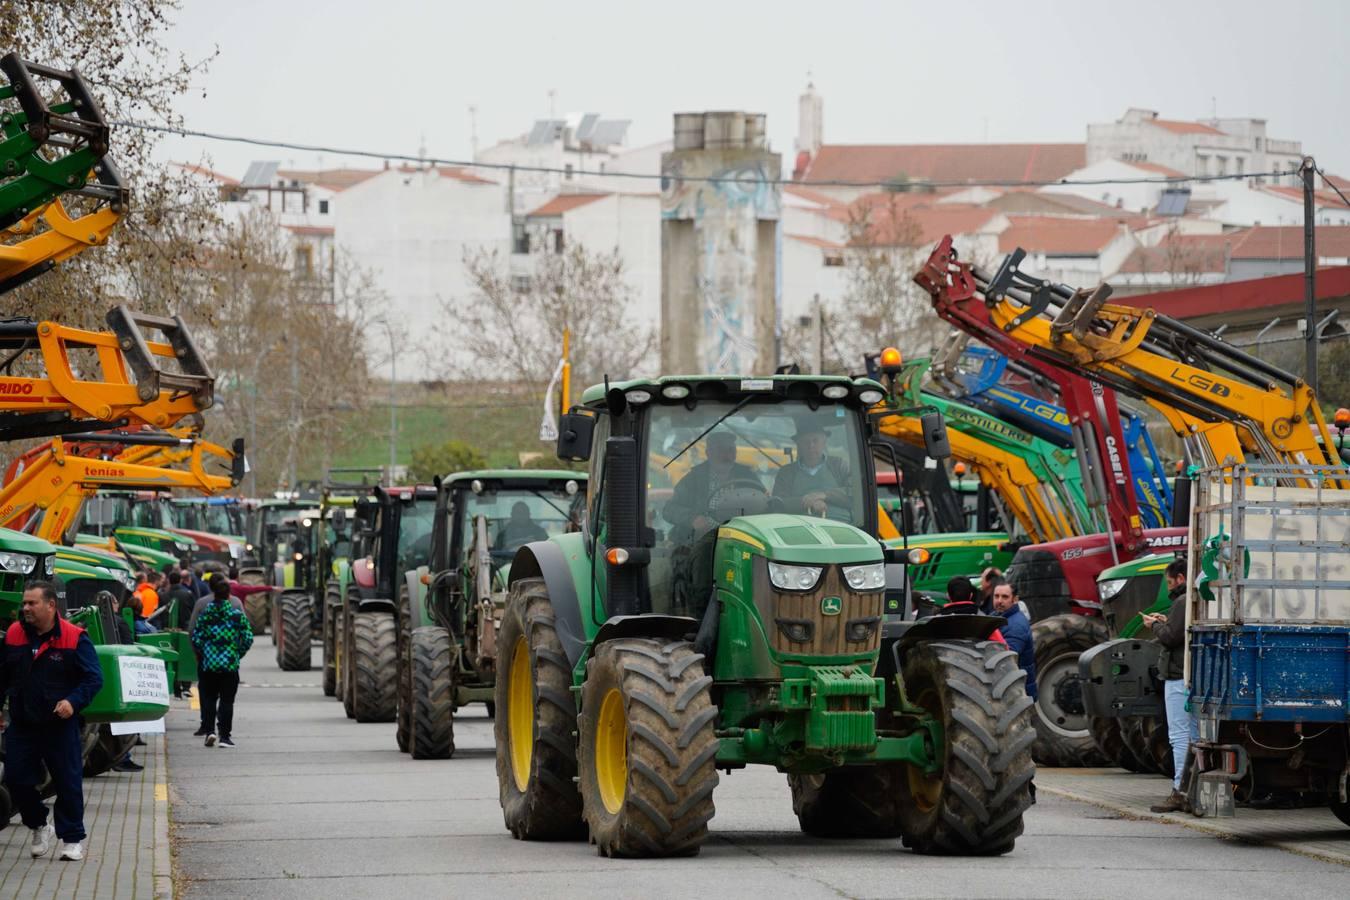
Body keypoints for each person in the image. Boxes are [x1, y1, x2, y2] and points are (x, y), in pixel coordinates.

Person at [0, 581, 104, 861]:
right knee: (15, 779)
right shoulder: (14, 635)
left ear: (50, 605)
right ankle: (37, 824)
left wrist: (73, 701)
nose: (26, 608)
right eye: (24, 603)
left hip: (59, 725)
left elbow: (94, 678)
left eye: (32, 603)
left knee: (67, 781)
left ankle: (71, 839)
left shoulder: (74, 637)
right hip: (22, 724)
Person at [1143, 558, 1197, 814]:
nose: (1168, 587)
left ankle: (1179, 790)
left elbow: (1170, 637)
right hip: (1186, 674)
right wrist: (1166, 620)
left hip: (1177, 677)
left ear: (1180, 578)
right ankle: (1189, 789)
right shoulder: (1194, 599)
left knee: (1178, 736)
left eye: (1169, 581)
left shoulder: (1183, 601)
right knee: (1190, 735)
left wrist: (1154, 625)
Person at [190, 573, 254, 748]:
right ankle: (224, 737)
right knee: (227, 701)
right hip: (229, 664)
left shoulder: (205, 615)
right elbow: (248, 638)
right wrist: (236, 653)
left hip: (208, 664)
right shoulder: (236, 616)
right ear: (228, 596)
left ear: (214, 594)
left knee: (209, 698)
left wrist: (204, 653)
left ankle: (209, 731)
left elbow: (195, 637)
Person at [663, 431, 760, 536]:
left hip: (741, 537)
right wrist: (692, 519)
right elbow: (669, 510)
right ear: (708, 453)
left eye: (730, 450)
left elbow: (763, 504)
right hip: (701, 538)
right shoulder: (694, 479)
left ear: (736, 453)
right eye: (720, 450)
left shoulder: (748, 476)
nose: (726, 455)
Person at [772, 423, 851, 518]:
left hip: (843, 524)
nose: (811, 446)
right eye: (806, 441)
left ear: (824, 442)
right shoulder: (786, 472)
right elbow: (777, 503)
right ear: (799, 445)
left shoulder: (839, 465)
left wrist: (825, 495)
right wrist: (808, 502)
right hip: (798, 526)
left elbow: (856, 493)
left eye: (815, 440)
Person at [992, 580, 1038, 698]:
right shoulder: (997, 616)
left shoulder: (1016, 625)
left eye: (1005, 597)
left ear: (1015, 599)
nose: (999, 601)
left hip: (1018, 694)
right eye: (996, 596)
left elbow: (1006, 660)